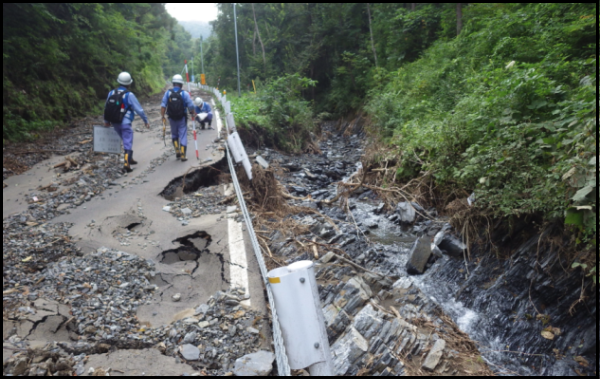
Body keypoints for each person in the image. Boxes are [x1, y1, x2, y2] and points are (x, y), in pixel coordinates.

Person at [104, 72, 149, 173]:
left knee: (125, 140)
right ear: (129, 84)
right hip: (125, 122)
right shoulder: (129, 95)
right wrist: (145, 120)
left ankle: (130, 159)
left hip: (114, 122)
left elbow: (106, 108)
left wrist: (106, 121)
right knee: (127, 141)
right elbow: (139, 110)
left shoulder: (111, 93)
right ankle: (126, 163)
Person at [161, 75, 196, 162]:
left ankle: (177, 150)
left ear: (173, 83)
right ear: (181, 84)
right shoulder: (184, 93)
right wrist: (193, 114)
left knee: (174, 134)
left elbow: (163, 105)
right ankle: (183, 155)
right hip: (182, 117)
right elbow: (191, 106)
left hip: (172, 118)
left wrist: (162, 116)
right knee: (183, 134)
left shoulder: (168, 93)